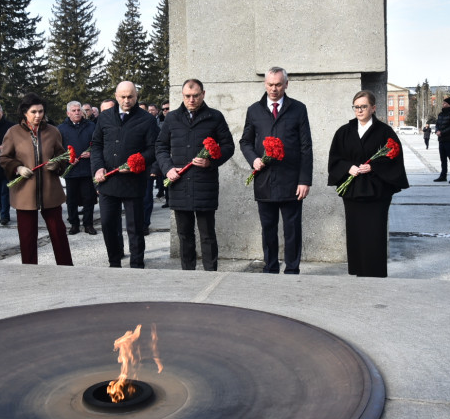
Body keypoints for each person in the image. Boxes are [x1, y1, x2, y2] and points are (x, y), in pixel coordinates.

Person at [327, 90, 409, 277]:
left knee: (374, 233)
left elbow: (394, 159)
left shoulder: (385, 132)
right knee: (355, 232)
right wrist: (348, 168)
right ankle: (358, 271)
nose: (359, 110)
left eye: (363, 106)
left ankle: (375, 273)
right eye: (356, 107)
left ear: (373, 108)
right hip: (353, 192)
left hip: (377, 192)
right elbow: (335, 158)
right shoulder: (344, 132)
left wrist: (373, 167)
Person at [240, 67, 313, 274]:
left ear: (286, 84)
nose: (274, 89)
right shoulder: (254, 110)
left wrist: (304, 180)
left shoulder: (298, 109)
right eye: (270, 84)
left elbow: (306, 147)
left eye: (278, 84)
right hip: (264, 180)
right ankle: (270, 268)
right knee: (268, 228)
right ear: (265, 84)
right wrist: (254, 159)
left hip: (291, 181)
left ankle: (292, 270)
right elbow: (245, 141)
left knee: (292, 229)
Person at [156, 78, 235, 271]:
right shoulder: (172, 118)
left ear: (203, 94)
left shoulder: (214, 117)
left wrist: (211, 161)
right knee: (184, 234)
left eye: (195, 96)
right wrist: (168, 168)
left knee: (207, 234)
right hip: (179, 183)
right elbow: (161, 146)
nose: (191, 100)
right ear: (182, 95)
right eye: (187, 96)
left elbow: (228, 146)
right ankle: (188, 273)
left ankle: (210, 272)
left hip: (204, 183)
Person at [0, 93, 74, 266]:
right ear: (25, 113)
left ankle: (66, 268)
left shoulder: (53, 131)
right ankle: (29, 270)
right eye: (34, 112)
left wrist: (57, 164)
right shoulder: (13, 132)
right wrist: (17, 168)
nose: (38, 115)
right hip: (25, 193)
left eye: (41, 111)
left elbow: (62, 155)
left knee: (58, 234)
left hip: (50, 192)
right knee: (27, 237)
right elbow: (4, 158)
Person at [91, 81, 159, 268]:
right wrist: (98, 168)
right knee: (107, 224)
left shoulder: (147, 120)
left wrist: (137, 161)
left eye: (130, 96)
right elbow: (96, 145)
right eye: (123, 97)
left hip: (133, 181)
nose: (126, 100)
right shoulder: (105, 117)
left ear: (136, 96)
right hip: (108, 180)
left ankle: (137, 264)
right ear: (116, 96)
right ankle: (114, 262)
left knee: (135, 227)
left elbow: (154, 148)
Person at [57, 101, 98, 235]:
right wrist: (67, 158)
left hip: (87, 168)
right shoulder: (61, 129)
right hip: (71, 169)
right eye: (73, 111)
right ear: (68, 113)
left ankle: (88, 224)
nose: (77, 113)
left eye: (78, 110)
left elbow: (97, 144)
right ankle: (74, 224)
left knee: (88, 198)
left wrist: (91, 153)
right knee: (71, 199)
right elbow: (57, 149)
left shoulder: (91, 126)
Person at [433, 96, 450, 183]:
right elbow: (437, 124)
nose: (443, 104)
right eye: (443, 103)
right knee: (443, 159)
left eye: (444, 103)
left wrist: (442, 132)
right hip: (441, 140)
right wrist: (437, 131)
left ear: (449, 104)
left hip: (449, 140)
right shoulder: (441, 114)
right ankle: (443, 176)